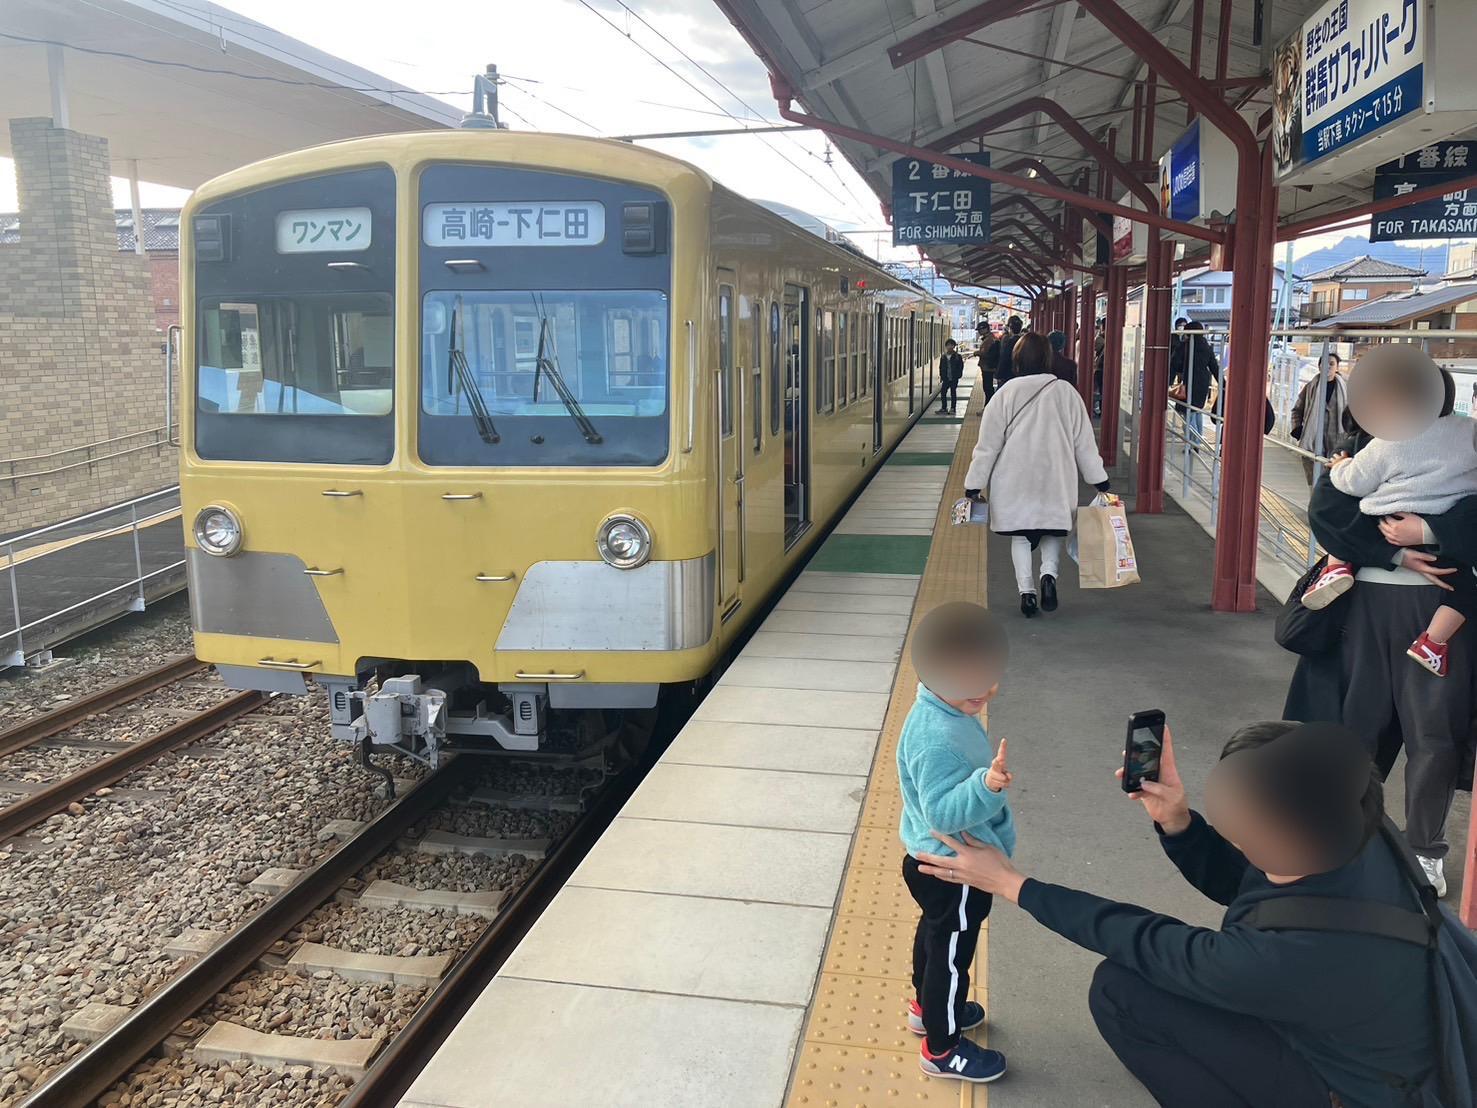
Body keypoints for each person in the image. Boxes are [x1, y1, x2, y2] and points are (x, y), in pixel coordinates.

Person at [915, 721, 1438, 1107]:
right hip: (1372, 1025)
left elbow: (1150, 942)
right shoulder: (1350, 829)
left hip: (1351, 1090)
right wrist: (1178, 822)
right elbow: (1252, 882)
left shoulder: (1272, 960)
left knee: (1121, 991)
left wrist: (1010, 883)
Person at [1301, 361, 1477, 680]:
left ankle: (1335, 568)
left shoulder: (1373, 442)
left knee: (1359, 696)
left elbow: (1332, 501)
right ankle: (1433, 644)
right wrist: (1418, 540)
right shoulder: (1467, 435)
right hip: (1443, 577)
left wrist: (1404, 541)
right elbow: (1326, 509)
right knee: (1430, 714)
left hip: (1365, 590)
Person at [897, 602, 1012, 1084]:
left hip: (931, 859)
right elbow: (942, 810)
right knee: (953, 953)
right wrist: (987, 786)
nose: (983, 690)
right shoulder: (939, 737)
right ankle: (941, 1049)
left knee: (935, 936)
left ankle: (927, 1007)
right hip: (954, 867)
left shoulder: (936, 708)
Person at [963, 332, 1110, 618]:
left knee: (1020, 535)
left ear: (1016, 360)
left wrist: (973, 485)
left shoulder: (1005, 393)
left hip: (1013, 479)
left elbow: (987, 447)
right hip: (1055, 477)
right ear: (1048, 357)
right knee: (1051, 530)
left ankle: (1027, 593)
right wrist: (1099, 480)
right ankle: (1049, 577)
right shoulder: (1066, 392)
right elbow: (1084, 443)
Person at [1290, 353, 1354, 484]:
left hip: (1338, 441)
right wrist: (1297, 428)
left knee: (1333, 481)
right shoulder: (1310, 388)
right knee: (1313, 480)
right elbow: (1297, 410)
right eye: (1324, 363)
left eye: (1331, 364)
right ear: (1319, 366)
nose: (1328, 367)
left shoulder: (1347, 388)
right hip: (1312, 441)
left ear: (1337, 367)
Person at [1168, 320, 1221, 444]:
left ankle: (1193, 442)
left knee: (1186, 413)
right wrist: (1223, 384)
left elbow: (1174, 364)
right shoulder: (1206, 347)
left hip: (1188, 383)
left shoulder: (1184, 345)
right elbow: (1214, 366)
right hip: (1202, 383)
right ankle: (1197, 440)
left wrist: (1169, 382)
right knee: (1196, 411)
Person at [937, 338, 964, 414]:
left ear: (954, 346)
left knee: (953, 393)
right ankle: (944, 408)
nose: (950, 347)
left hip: (954, 378)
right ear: (946, 346)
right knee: (943, 393)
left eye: (951, 345)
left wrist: (958, 375)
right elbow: (941, 367)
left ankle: (953, 408)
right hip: (946, 378)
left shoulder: (957, 356)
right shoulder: (943, 357)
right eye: (948, 345)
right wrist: (942, 376)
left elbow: (961, 366)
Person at [996, 315, 1024, 385]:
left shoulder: (1009, 341)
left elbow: (1004, 357)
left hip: (1008, 374)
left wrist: (999, 374)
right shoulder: (1024, 341)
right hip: (1021, 374)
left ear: (1010, 328)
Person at [978, 331, 1000, 404]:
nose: (979, 332)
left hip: (988, 367)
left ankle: (988, 406)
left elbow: (985, 353)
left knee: (988, 388)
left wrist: (978, 353)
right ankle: (988, 405)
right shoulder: (991, 339)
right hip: (988, 366)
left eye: (979, 330)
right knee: (988, 387)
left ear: (984, 329)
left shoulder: (989, 340)